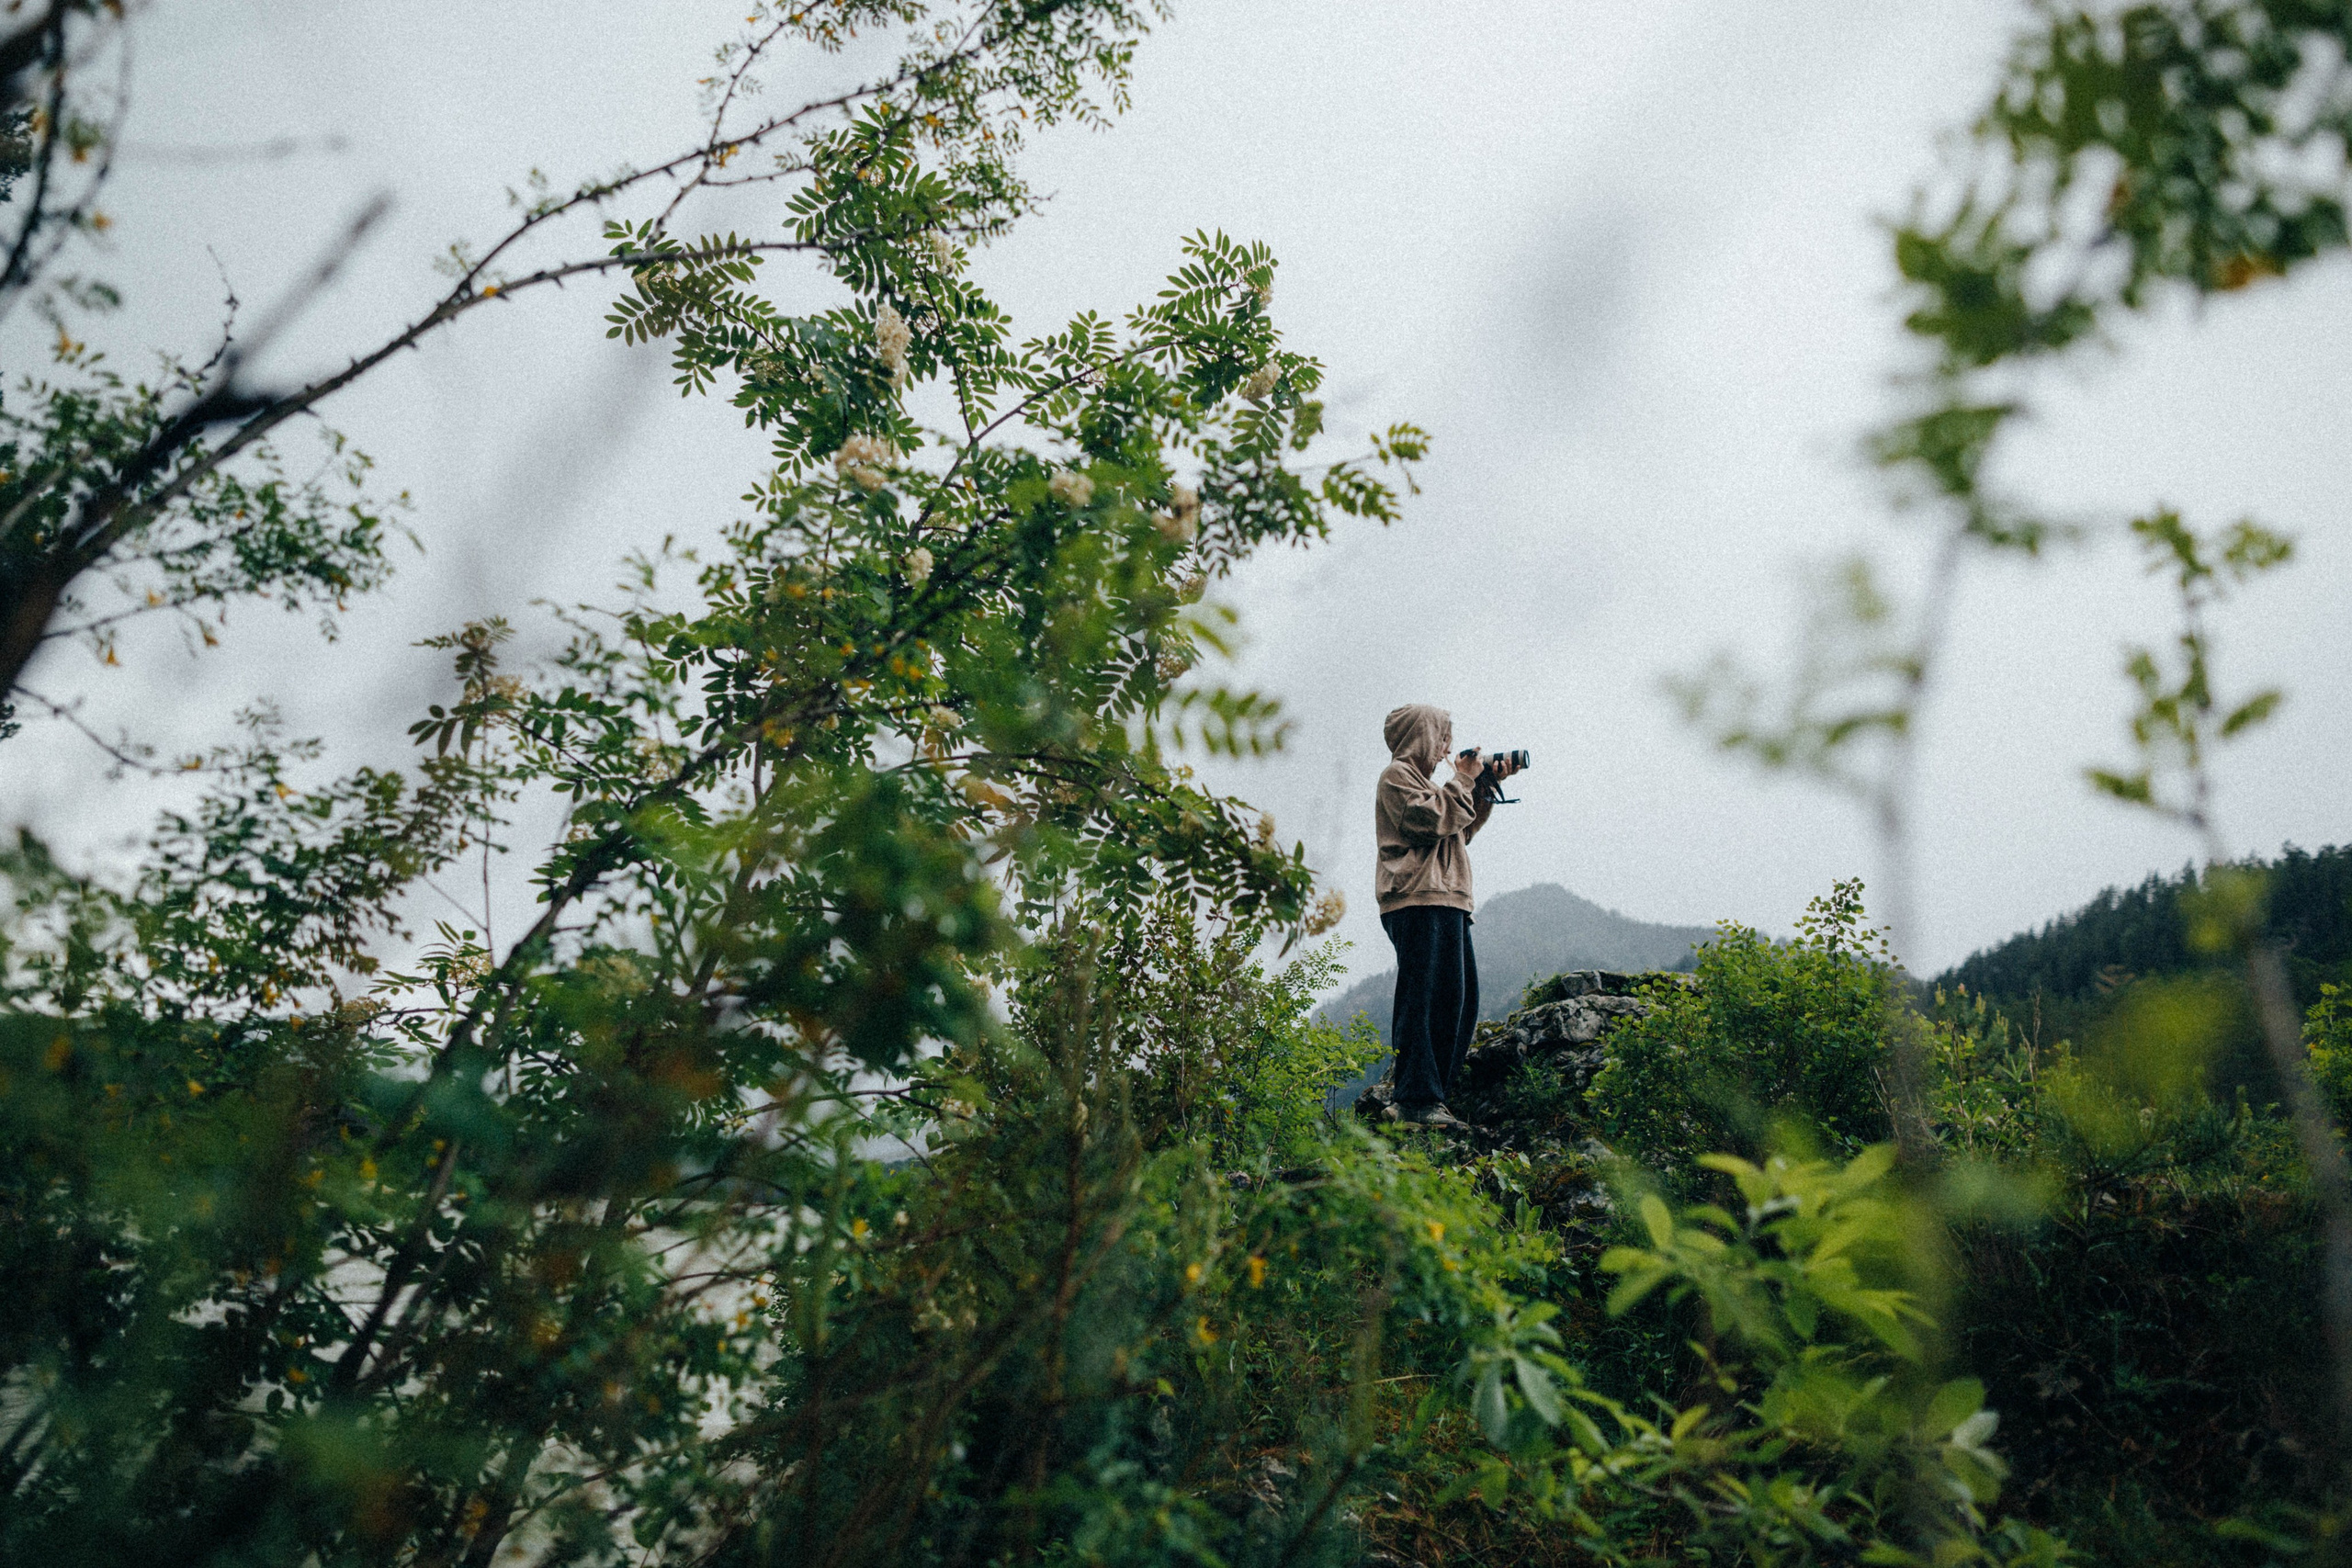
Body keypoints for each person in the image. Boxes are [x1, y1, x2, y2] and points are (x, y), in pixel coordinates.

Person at [1373, 704, 1517, 1129]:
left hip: (1446, 898)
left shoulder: (1430, 784)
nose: (1447, 748)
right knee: (1424, 998)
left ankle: (1434, 1097)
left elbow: (1459, 828)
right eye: (1442, 737)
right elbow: (1430, 818)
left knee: (1457, 999)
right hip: (1416, 897)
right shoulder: (1396, 776)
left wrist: (1484, 786)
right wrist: (1463, 778)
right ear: (1420, 735)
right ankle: (1414, 1101)